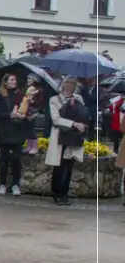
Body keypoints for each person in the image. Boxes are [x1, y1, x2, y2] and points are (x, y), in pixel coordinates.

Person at [47, 76, 87, 206]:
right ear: (63, 84)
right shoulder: (54, 99)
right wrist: (74, 123)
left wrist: (80, 125)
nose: (70, 85)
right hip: (60, 135)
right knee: (58, 165)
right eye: (68, 82)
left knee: (69, 165)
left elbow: (83, 114)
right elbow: (56, 119)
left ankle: (64, 193)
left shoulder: (78, 99)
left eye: (73, 83)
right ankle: (56, 193)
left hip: (73, 136)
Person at [0, 73, 26, 196]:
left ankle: (15, 184)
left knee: (16, 159)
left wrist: (23, 115)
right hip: (4, 131)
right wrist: (9, 115)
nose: (14, 81)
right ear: (5, 82)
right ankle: (2, 183)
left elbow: (25, 109)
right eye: (12, 79)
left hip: (17, 131)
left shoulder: (20, 95)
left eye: (15, 79)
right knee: (4, 159)